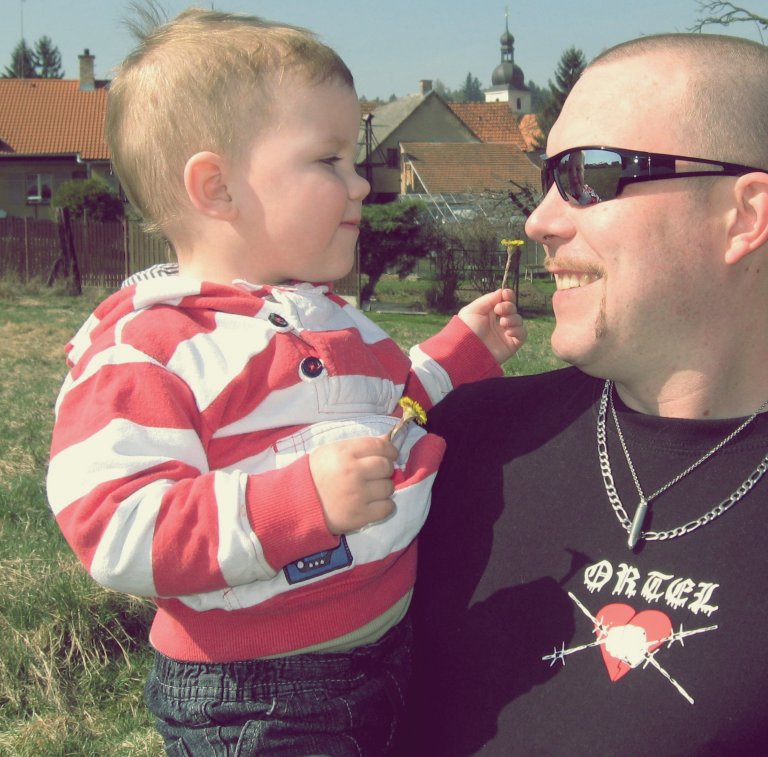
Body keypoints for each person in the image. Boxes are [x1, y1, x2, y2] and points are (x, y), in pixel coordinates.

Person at [406, 33, 768, 755]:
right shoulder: (455, 448)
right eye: (546, 178)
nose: (541, 221)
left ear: (744, 216)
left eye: (590, 174)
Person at [45, 9, 523, 756]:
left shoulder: (338, 321)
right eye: (329, 160)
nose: (360, 183)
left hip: (390, 650)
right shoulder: (151, 349)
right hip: (254, 694)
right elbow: (115, 527)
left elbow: (390, 410)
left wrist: (458, 355)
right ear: (217, 187)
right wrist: (299, 503)